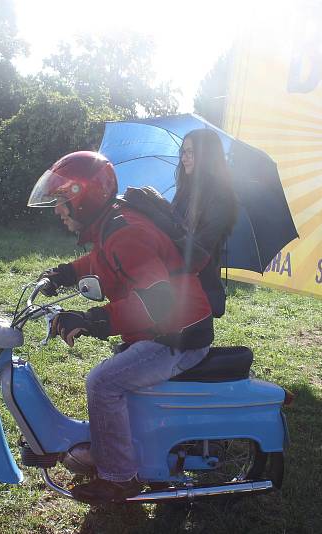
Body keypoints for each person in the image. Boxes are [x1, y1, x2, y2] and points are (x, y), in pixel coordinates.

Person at [28, 151, 214, 504]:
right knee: (112, 378)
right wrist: (66, 272)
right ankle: (115, 452)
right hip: (165, 329)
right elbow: (103, 258)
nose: (57, 210)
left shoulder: (126, 232)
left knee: (103, 382)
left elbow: (159, 305)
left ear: (84, 198)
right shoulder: (113, 223)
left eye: (61, 200)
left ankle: (118, 478)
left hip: (177, 336)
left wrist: (91, 320)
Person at [172, 128, 238, 318]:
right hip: (175, 282)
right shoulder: (184, 191)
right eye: (182, 152)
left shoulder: (220, 198)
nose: (184, 158)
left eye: (190, 152)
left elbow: (200, 248)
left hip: (198, 290)